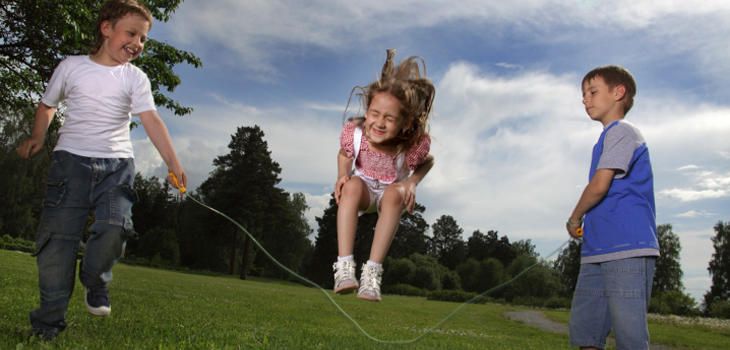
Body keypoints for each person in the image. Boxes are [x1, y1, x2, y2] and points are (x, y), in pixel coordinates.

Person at [16, 0, 187, 341]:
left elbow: (150, 119)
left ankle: (95, 281)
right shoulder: (71, 67)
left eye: (144, 38)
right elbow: (48, 105)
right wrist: (38, 135)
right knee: (57, 245)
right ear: (106, 28)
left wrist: (173, 161)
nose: (138, 43)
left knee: (114, 228)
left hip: (117, 166)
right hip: (70, 163)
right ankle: (47, 326)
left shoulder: (135, 78)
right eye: (132, 33)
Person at [565, 65, 659, 350]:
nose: (585, 99)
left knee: (629, 336)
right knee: (587, 333)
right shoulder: (605, 139)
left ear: (619, 93)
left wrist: (574, 218)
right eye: (583, 95)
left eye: (593, 92)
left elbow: (599, 185)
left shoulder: (623, 132)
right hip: (596, 251)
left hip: (627, 249)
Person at [333, 49, 435, 302]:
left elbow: (428, 162)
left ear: (407, 123)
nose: (379, 123)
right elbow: (344, 154)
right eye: (375, 114)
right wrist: (341, 175)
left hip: (390, 191)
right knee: (353, 186)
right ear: (367, 110)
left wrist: (411, 182)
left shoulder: (410, 147)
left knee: (393, 194)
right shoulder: (354, 132)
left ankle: (372, 274)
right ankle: (344, 267)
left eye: (389, 119)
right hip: (365, 192)